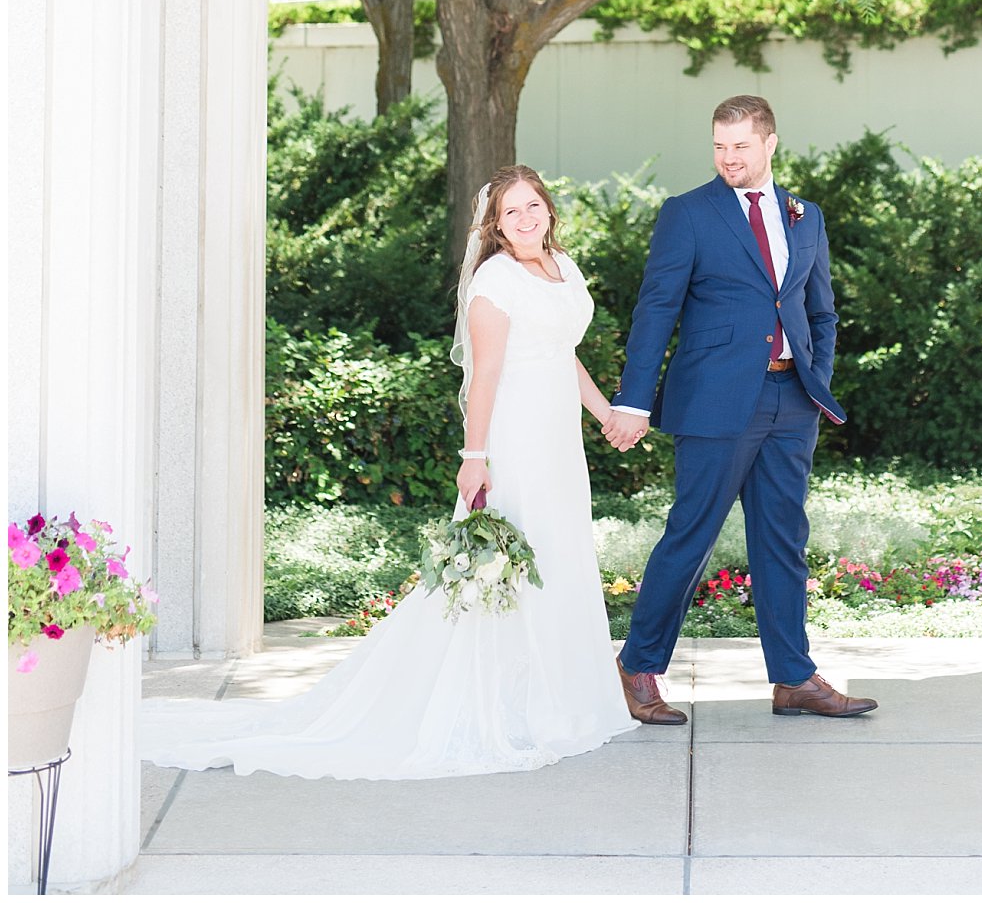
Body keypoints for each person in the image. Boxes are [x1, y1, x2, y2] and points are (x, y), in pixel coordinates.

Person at [139, 167, 637, 778]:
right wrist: (474, 458)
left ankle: (567, 698)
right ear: (497, 227)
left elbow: (565, 356)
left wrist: (606, 412)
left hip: (560, 442)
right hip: (515, 439)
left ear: (548, 209)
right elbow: (484, 377)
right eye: (513, 212)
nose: (527, 218)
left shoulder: (563, 266)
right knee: (509, 568)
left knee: (560, 556)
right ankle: (510, 704)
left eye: (534, 205)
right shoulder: (494, 282)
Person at [605, 93, 877, 724]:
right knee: (691, 535)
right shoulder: (688, 214)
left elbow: (821, 311)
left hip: (792, 400)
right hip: (715, 402)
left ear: (769, 143)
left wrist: (817, 381)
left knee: (784, 541)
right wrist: (633, 400)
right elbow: (656, 312)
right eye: (720, 146)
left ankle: (794, 678)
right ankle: (638, 666)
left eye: (741, 146)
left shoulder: (805, 216)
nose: (729, 158)